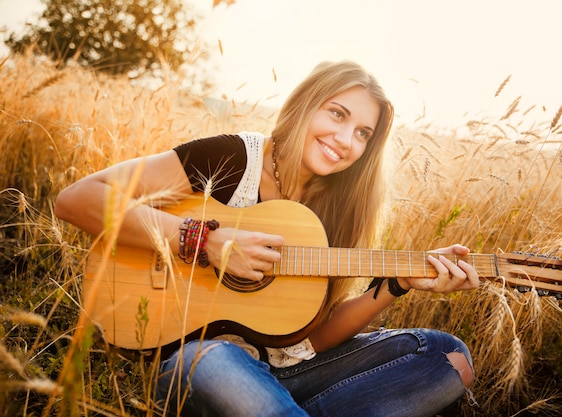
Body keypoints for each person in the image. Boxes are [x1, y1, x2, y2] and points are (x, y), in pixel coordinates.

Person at [54, 61, 480, 417]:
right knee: (212, 361)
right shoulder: (233, 158)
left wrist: (398, 283)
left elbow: (310, 341)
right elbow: (78, 199)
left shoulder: (340, 208)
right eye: (337, 114)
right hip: (198, 366)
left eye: (363, 133)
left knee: (445, 356)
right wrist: (205, 242)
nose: (346, 140)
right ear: (305, 104)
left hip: (285, 371)